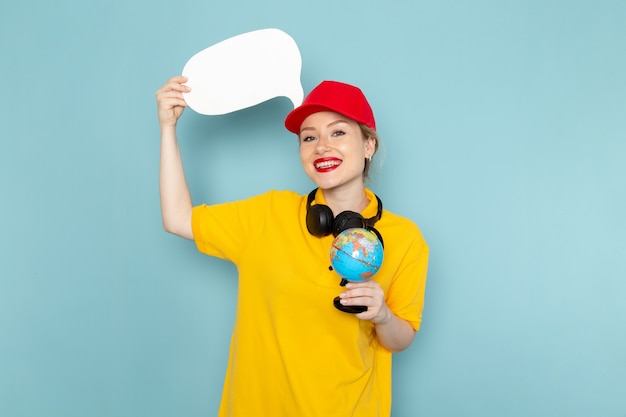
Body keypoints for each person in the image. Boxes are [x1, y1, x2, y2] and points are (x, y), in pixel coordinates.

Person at [155, 75, 429, 417]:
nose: (322, 147)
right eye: (309, 137)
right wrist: (168, 128)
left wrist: (383, 315)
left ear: (368, 145)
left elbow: (400, 340)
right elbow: (178, 218)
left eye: (338, 132)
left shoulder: (405, 238)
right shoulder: (268, 215)